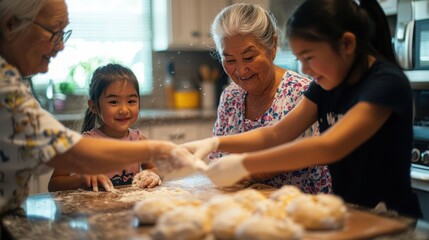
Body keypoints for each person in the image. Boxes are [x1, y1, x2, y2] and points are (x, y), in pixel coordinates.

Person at [183, 0, 422, 218]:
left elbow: (328, 147)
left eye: (309, 58)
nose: (304, 70)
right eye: (301, 60)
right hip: (348, 213)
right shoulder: (327, 83)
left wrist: (245, 164)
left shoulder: (385, 84)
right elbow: (275, 134)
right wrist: (215, 143)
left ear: (347, 44)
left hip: (390, 218)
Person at [0, 0, 199, 216]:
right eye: (53, 33)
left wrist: (155, 169)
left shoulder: (11, 80)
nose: (61, 46)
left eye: (63, 34)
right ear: (11, 25)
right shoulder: (5, 87)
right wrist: (158, 148)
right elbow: (67, 152)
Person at [207, 3, 331, 193]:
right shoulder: (230, 97)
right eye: (230, 60)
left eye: (249, 58)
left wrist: (241, 170)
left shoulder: (302, 93)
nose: (240, 70)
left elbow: (295, 153)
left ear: (272, 45)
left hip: (297, 209)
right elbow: (217, 158)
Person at [48, 64, 161, 192]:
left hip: (130, 210)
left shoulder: (140, 142)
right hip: (97, 210)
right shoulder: (84, 145)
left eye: (131, 101)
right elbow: (54, 184)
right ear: (94, 106)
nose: (124, 110)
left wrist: (152, 174)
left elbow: (156, 170)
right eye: (113, 102)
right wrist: (81, 179)